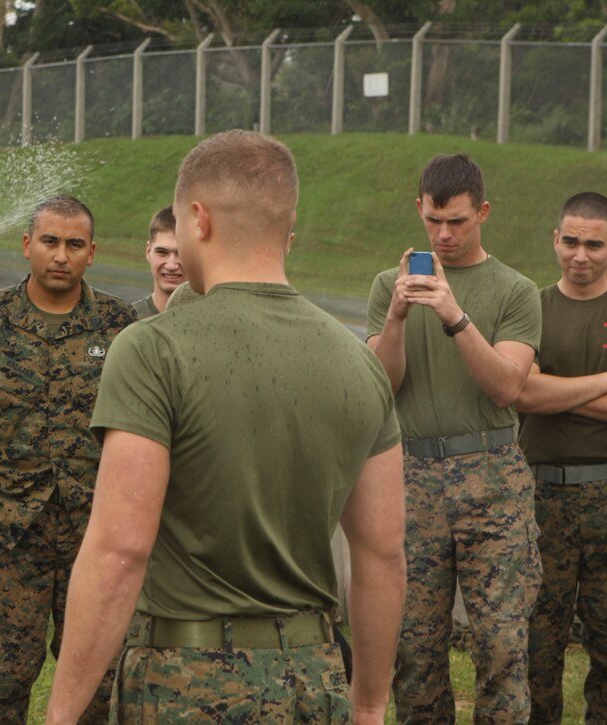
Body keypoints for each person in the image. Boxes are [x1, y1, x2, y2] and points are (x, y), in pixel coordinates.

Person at [46, 130, 406, 724]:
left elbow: (119, 551)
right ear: (284, 226)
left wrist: (59, 717)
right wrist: (368, 702)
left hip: (186, 683)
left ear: (198, 219)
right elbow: (382, 554)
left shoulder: (153, 349)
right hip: (315, 683)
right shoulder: (358, 362)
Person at [0, 195, 136, 722]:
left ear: (93, 252)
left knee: (98, 685)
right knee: (0, 689)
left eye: (74, 244)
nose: (60, 255)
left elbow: (136, 431)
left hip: (95, 538)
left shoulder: (120, 325)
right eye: (49, 241)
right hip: (8, 540)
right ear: (27, 246)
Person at [366, 153, 542, 723]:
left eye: (458, 222)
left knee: (501, 644)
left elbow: (507, 388)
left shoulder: (514, 290)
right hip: (413, 479)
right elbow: (382, 385)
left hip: (491, 478)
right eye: (433, 220)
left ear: (482, 213)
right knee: (414, 648)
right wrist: (395, 316)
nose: (443, 235)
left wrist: (454, 316)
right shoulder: (386, 286)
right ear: (419, 209)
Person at [516, 191, 607, 723]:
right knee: (536, 645)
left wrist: (554, 390)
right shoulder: (533, 307)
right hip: (540, 494)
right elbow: (522, 394)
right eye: (570, 241)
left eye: (595, 244)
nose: (581, 255)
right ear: (555, 240)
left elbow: (539, 392)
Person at [132, 206, 186, 319]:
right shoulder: (124, 321)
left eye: (181, 253)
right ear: (148, 251)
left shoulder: (217, 322)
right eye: (162, 252)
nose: (171, 265)